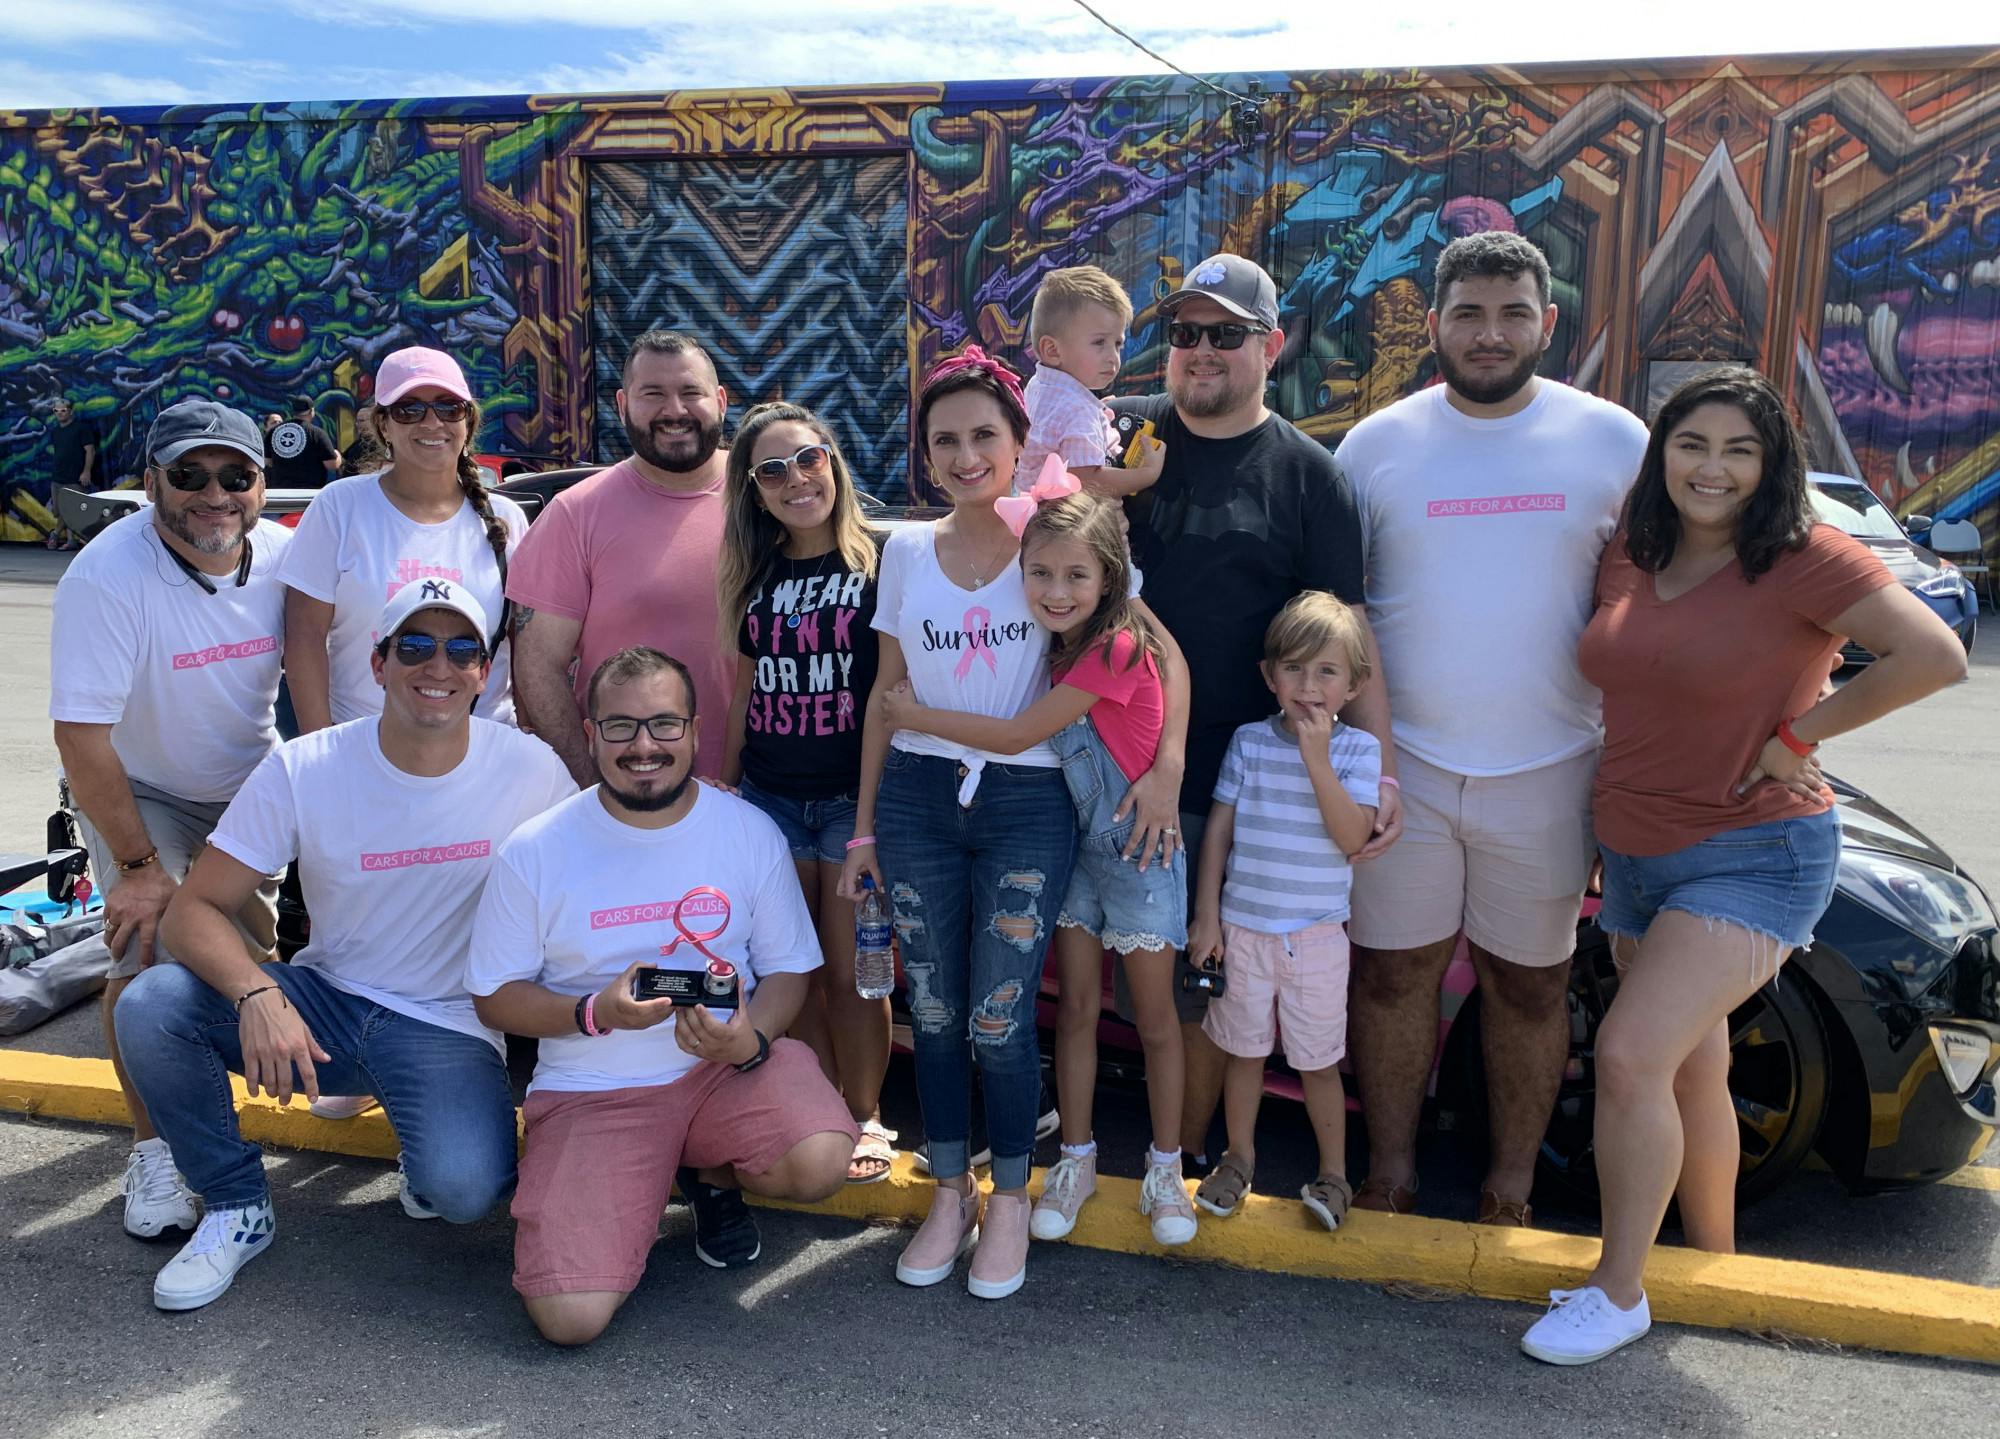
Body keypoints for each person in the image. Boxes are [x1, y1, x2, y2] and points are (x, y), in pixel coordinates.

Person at [1520, 367, 1967, 1364]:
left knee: (1630, 1053)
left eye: (1738, 449)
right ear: (1660, 454)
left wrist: (1800, 735)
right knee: (1689, 1062)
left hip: (1753, 848)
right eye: (1690, 444)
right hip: (1635, 851)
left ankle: (1616, 1287)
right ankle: (1711, 1267)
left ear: (1769, 467)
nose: (1710, 468)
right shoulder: (1632, 551)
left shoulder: (1801, 555)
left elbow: (1933, 655)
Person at [116, 577, 576, 1312]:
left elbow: (591, 887)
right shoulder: (309, 764)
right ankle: (237, 1203)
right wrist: (258, 991)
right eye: (415, 646)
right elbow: (192, 910)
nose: (439, 666)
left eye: (462, 649)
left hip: (448, 1023)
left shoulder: (532, 770)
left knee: (462, 1191)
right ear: (377, 663)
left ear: (484, 673)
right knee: (152, 1006)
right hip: (326, 1003)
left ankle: (417, 1123)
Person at [842, 348, 1186, 1300]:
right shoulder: (904, 552)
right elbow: (886, 696)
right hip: (916, 800)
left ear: (1020, 441)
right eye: (944, 439)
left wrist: (1168, 768)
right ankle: (947, 1193)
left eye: (983, 435)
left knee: (1000, 1017)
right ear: (924, 452)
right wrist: (864, 831)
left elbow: (1165, 658)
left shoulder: (1061, 532)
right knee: (937, 1011)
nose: (964, 455)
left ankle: (1009, 1197)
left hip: (1029, 802)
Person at [1334, 231, 1651, 1226]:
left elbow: (1656, 609)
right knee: (1391, 976)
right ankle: (1386, 1173)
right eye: (1467, 312)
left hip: (1556, 766)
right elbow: (1337, 616)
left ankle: (1506, 1190)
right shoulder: (1372, 445)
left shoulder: (1614, 441)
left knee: (1527, 984)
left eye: (1511, 312)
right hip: (1404, 767)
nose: (1488, 333)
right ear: (1432, 323)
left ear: (1546, 323)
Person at [468, 647, 856, 1346]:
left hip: (722, 1074)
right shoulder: (535, 849)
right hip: (596, 1089)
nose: (643, 745)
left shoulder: (746, 831)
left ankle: (704, 1169)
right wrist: (592, 1012)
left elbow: (791, 970)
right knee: (569, 1319)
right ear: (589, 734)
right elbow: (493, 997)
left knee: (820, 1156)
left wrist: (752, 1038)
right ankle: (639, 1181)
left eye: (663, 724)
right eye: (620, 727)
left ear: (695, 729)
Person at [1101, 253, 1389, 1173]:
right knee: (1105, 970)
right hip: (1102, 758)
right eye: (1185, 333)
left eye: (1226, 333)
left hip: (1239, 784)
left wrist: (1377, 771)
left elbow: (1351, 642)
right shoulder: (1123, 443)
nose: (1201, 351)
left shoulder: (1311, 477)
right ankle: (1119, 1145)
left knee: (1203, 982)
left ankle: (1173, 1166)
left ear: (1272, 343)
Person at [879, 483, 1197, 1246]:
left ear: (1110, 578)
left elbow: (1021, 731)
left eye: (1075, 577)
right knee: (1077, 1010)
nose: (1055, 592)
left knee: (1153, 1018)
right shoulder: (1063, 635)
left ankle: (1166, 1166)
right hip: (1082, 846)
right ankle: (1077, 1158)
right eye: (1041, 574)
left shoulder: (1116, 642)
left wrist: (912, 714)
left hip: (1138, 848)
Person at [50, 399, 292, 1241]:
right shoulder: (107, 576)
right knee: (146, 939)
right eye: (188, 474)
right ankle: (153, 1152)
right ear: (151, 480)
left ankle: (210, 1077)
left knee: (246, 950)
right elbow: (80, 737)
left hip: (247, 785)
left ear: (262, 483)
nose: (212, 494)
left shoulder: (289, 560)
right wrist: (142, 865)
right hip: (137, 785)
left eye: (235, 475)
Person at [715, 402, 895, 1184]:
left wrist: (870, 819)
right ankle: (821, 1106)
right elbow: (745, 690)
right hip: (771, 800)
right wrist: (722, 787)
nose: (796, 479)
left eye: (809, 459)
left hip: (853, 805)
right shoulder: (750, 574)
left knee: (860, 970)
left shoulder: (883, 563)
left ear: (833, 462)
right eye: (773, 470)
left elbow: (891, 695)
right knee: (796, 968)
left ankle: (867, 1114)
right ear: (754, 490)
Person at [1185, 593, 1381, 1232]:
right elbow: (1218, 831)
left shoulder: (1356, 752)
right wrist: (1207, 917)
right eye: (1293, 669)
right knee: (1243, 1053)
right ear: (1270, 677)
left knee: (1318, 1060)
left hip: (1317, 937)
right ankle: (1238, 1158)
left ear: (1354, 685)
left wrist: (1316, 758)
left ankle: (1334, 1174)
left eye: (1327, 672)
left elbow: (1354, 837)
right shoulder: (1248, 742)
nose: (1308, 685)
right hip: (1243, 929)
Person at [509, 329, 735, 786]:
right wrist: (594, 786)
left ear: (721, 400)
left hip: (778, 797)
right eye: (653, 394)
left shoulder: (768, 493)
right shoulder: (575, 514)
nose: (675, 410)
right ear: (621, 405)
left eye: (691, 392)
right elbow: (537, 666)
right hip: (634, 796)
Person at [281, 347, 528, 734]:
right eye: (409, 409)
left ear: (468, 421)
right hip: (363, 750)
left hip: (484, 753)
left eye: (449, 407)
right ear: (383, 425)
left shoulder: (506, 519)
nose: (432, 422)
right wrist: (321, 752)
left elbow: (523, 650)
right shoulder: (340, 508)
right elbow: (304, 641)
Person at [1016, 264, 1162, 494]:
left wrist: (1095, 415)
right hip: (1067, 523)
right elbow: (1087, 480)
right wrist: (1145, 475)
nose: (1112, 357)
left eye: (1117, 344)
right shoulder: (1077, 411)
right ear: (1052, 350)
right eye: (1099, 343)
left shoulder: (1040, 386)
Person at [263, 396, 342, 488]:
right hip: (309, 493)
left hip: (281, 493)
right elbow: (332, 465)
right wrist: (338, 455)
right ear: (311, 411)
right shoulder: (316, 433)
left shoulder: (274, 432)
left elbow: (268, 461)